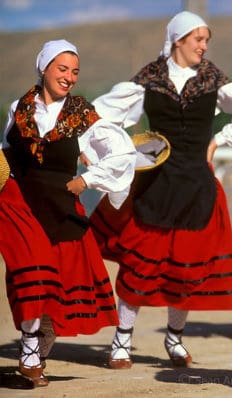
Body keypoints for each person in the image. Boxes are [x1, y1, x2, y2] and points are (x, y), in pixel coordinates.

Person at [88, 11, 232, 369]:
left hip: (197, 185)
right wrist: (127, 150)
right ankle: (122, 341)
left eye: (206, 40)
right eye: (198, 39)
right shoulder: (148, 81)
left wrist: (218, 141)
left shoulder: (213, 79)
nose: (204, 46)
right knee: (139, 264)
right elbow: (99, 116)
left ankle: (174, 338)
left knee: (186, 267)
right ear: (178, 40)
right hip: (156, 184)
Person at [0, 39, 136, 387]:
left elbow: (122, 153)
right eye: (62, 69)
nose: (69, 77)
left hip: (59, 203)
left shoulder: (81, 113)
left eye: (75, 71)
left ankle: (38, 344)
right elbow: (5, 151)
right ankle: (30, 348)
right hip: (17, 201)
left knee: (51, 279)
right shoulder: (19, 107)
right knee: (29, 269)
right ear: (44, 68)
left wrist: (87, 179)